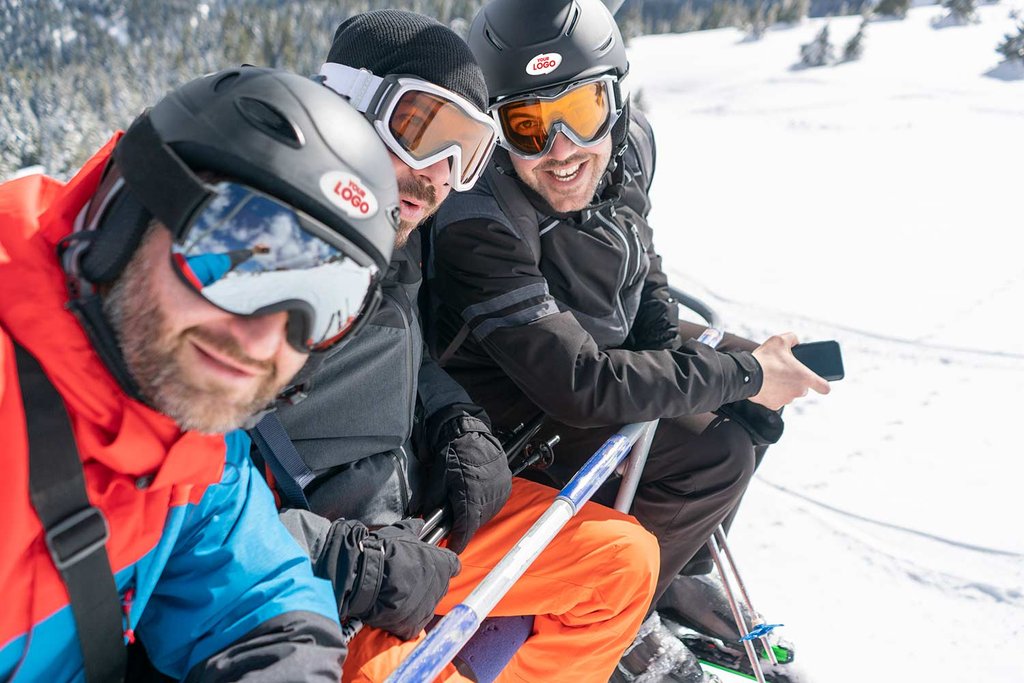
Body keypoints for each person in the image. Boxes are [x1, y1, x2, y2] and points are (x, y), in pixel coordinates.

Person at [252, 10, 660, 682]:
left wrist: (452, 417)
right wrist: (348, 560)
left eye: (464, 152)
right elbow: (195, 499)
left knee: (622, 563)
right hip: (323, 576)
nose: (437, 174)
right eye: (421, 130)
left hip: (415, 531)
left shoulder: (394, 239)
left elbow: (403, 353)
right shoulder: (264, 255)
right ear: (347, 104)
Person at [427, 0, 830, 674]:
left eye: (580, 112)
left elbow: (640, 256)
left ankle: (674, 565)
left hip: (590, 346)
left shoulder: (630, 147)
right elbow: (578, 385)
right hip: (514, 392)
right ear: (496, 129)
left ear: (614, 99)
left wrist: (674, 345)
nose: (560, 149)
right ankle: (621, 610)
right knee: (717, 451)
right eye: (527, 124)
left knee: (748, 405)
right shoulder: (479, 215)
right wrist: (743, 374)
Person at [0, 66, 401, 681]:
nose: (266, 339)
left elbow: (260, 603)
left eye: (326, 303)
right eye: (234, 260)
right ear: (122, 217)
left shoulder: (190, 437)